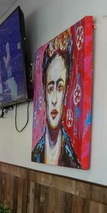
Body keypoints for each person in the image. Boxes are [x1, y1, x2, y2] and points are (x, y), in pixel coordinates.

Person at [31, 32, 80, 168]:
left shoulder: (72, 161)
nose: (54, 100)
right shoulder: (36, 153)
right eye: (50, 88)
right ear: (44, 95)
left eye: (60, 87)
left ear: (66, 93)